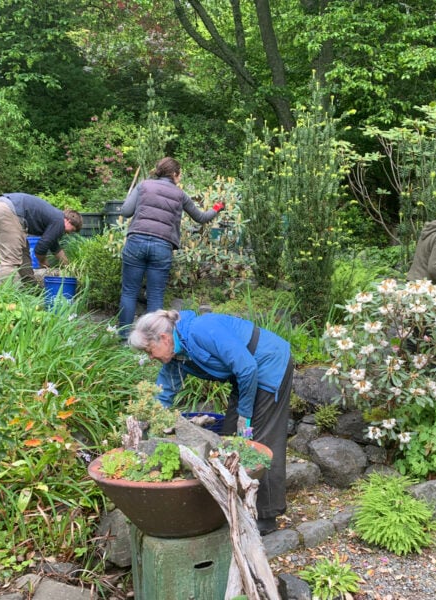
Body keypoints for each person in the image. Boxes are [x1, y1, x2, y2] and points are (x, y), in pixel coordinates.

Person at [128, 308, 293, 536]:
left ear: (164, 338)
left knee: (260, 441)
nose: (150, 357)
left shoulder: (201, 331)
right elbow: (162, 393)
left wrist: (245, 415)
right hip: (244, 374)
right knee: (228, 439)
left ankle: (266, 516)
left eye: (149, 350)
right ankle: (237, 505)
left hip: (269, 364)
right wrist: (145, 420)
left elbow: (247, 367)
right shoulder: (176, 357)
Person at [117, 157, 224, 337]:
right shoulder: (180, 195)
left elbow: (126, 211)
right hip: (162, 246)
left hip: (136, 242)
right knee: (155, 295)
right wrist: (217, 207)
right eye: (179, 174)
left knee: (129, 292)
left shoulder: (143, 185)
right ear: (174, 174)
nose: (180, 177)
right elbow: (201, 217)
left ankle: (123, 339)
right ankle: (151, 342)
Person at [0, 193, 83, 285]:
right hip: (7, 211)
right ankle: (7, 299)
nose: (69, 233)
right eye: (72, 230)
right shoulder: (59, 221)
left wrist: (69, 266)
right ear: (68, 221)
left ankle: (30, 286)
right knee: (10, 261)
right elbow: (40, 248)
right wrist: (42, 261)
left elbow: (53, 245)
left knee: (22, 249)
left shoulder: (54, 217)